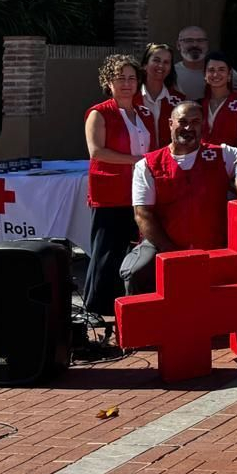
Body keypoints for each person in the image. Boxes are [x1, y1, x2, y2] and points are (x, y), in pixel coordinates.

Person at [123, 101, 237, 295]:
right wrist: (173, 254)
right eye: (183, 122)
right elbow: (143, 215)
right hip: (165, 246)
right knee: (136, 272)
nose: (188, 128)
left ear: (203, 125)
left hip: (215, 246)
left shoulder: (222, 154)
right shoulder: (147, 165)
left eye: (195, 122)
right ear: (171, 124)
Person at [83, 53, 153, 315]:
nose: (126, 83)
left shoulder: (144, 113)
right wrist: (138, 160)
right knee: (106, 251)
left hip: (139, 192)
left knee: (132, 250)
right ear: (108, 82)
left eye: (132, 78)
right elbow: (97, 152)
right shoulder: (99, 113)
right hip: (110, 192)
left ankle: (124, 303)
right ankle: (95, 308)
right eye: (120, 78)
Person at [200, 51, 237, 148]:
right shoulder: (199, 105)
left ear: (229, 74)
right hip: (201, 157)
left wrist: (234, 158)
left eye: (221, 70)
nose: (215, 74)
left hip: (231, 157)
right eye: (211, 70)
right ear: (205, 75)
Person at [173, 25, 237, 99]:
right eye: (189, 40)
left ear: (207, 45)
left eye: (200, 40)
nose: (195, 45)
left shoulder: (222, 71)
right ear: (178, 45)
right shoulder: (171, 73)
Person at [136, 43, 182, 149]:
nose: (161, 65)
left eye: (166, 62)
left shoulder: (180, 101)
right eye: (156, 60)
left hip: (169, 157)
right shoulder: (130, 98)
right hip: (137, 157)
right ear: (145, 64)